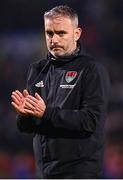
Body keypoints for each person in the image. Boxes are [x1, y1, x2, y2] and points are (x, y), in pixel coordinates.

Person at [11, 5, 110, 178]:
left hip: (79, 173)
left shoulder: (91, 70)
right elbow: (27, 128)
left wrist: (46, 113)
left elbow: (91, 122)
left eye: (61, 33)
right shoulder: (37, 70)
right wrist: (24, 115)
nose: (54, 40)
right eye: (49, 33)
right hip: (44, 173)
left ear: (77, 34)